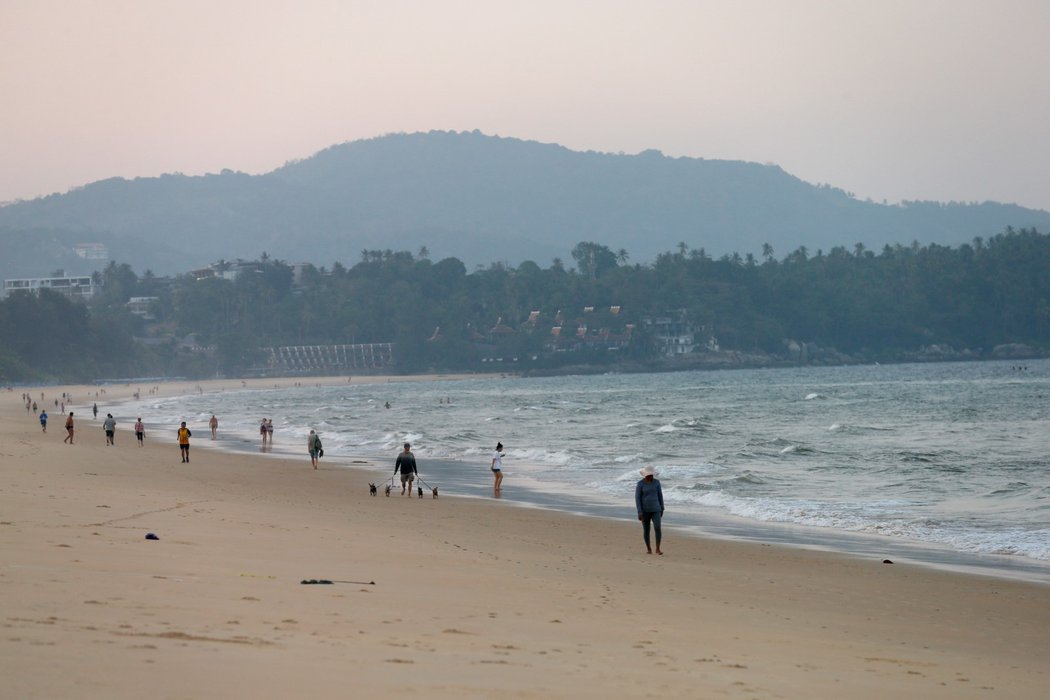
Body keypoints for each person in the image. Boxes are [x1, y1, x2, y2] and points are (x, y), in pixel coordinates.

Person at [635, 465, 665, 555]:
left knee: (657, 527)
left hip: (656, 509)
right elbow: (637, 498)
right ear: (645, 475)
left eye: (651, 475)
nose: (650, 476)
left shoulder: (657, 483)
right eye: (648, 475)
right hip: (644, 511)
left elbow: (660, 495)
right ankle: (648, 548)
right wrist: (639, 512)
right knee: (646, 530)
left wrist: (662, 508)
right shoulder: (640, 484)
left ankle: (658, 548)